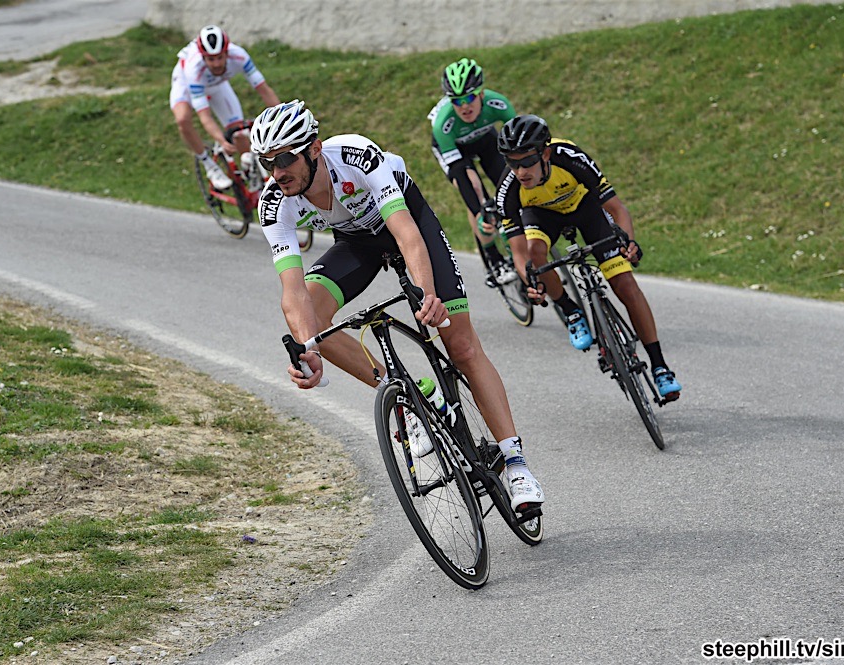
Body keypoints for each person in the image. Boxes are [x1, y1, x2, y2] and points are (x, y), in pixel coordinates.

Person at [251, 100, 544, 513]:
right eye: (267, 162)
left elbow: (406, 234)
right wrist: (309, 349)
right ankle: (408, 395)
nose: (277, 172)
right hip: (356, 242)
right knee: (311, 324)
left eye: (285, 159)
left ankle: (516, 465)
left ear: (314, 149)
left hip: (407, 221)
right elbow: (292, 291)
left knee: (461, 346)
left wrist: (428, 294)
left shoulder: (354, 155)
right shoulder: (273, 203)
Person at [495, 115, 683, 400]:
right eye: (512, 162)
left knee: (626, 285)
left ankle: (660, 367)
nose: (520, 171)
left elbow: (617, 209)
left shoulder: (570, 157)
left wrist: (629, 241)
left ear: (545, 153)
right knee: (536, 254)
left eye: (527, 161)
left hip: (584, 207)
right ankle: (571, 311)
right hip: (542, 216)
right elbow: (519, 252)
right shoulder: (508, 188)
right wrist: (531, 282)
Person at [429, 58, 518, 286]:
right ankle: (493, 258)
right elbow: (463, 181)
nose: (464, 106)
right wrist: (481, 212)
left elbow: (520, 143)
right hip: (455, 149)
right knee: (476, 192)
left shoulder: (498, 104)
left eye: (469, 98)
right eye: (457, 101)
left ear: (481, 94)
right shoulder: (443, 124)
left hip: (485, 140)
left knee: (510, 181)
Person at [170, 25, 280, 191]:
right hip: (185, 84)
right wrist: (221, 140)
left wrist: (282, 119)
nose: (216, 64)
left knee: (239, 132)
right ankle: (210, 166)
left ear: (227, 52)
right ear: (202, 56)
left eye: (220, 57)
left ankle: (251, 175)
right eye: (211, 59)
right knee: (183, 120)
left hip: (218, 85)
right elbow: (205, 116)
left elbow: (264, 90)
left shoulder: (239, 56)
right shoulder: (194, 69)